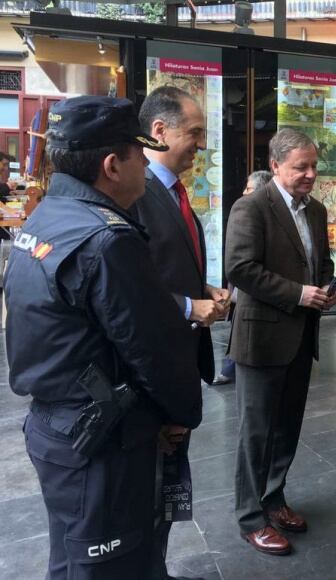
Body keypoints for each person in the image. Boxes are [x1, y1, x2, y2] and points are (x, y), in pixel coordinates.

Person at [4, 96, 202, 580]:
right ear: (113, 166)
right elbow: (153, 349)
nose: (145, 163)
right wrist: (180, 414)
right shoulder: (107, 238)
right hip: (101, 440)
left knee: (75, 555)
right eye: (139, 153)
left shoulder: (48, 214)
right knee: (108, 562)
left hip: (58, 426)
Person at [225, 128, 336, 556]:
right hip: (262, 340)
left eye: (314, 166)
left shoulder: (315, 211)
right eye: (300, 167)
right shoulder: (251, 207)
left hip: (301, 336)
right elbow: (239, 267)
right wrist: (299, 293)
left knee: (287, 428)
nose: (310, 174)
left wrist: (325, 286)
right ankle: (250, 518)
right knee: (256, 433)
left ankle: (273, 499)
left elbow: (321, 262)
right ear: (275, 166)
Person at [135, 85, 229, 580]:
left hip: (179, 364)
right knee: (150, 488)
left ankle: (158, 567)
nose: (200, 144)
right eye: (194, 133)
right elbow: (131, 289)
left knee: (169, 483)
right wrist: (189, 306)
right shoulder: (138, 194)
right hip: (155, 368)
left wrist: (203, 287)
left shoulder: (174, 191)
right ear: (159, 131)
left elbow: (168, 265)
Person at [212, 169, 273, 386]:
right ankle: (231, 367)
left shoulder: (266, 216)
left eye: (248, 188)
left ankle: (231, 368)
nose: (243, 192)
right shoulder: (244, 211)